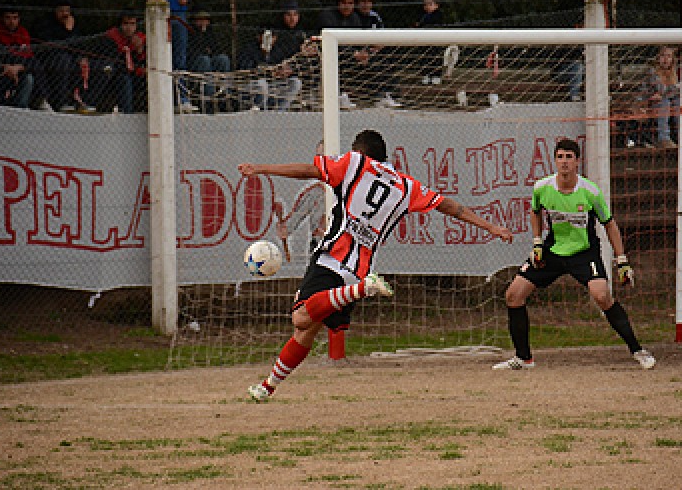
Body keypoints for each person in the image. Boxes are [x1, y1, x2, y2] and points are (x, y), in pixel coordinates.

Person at [238, 129, 513, 401]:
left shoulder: (355, 163)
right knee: (306, 330)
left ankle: (364, 289)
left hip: (332, 258)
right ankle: (268, 386)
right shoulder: (406, 186)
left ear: (359, 151)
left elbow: (310, 171)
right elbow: (449, 206)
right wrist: (490, 227)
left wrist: (261, 168)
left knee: (300, 317)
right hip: (356, 270)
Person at [493, 138, 656, 372]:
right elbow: (535, 211)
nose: (564, 162)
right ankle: (523, 358)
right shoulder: (542, 187)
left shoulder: (590, 192)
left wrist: (621, 260)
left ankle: (638, 350)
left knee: (602, 296)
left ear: (578, 161)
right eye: (560, 157)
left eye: (569, 157)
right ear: (554, 160)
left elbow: (609, 224)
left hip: (584, 253)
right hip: (552, 251)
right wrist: (537, 242)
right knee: (513, 295)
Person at [142, 0, 196, 113]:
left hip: (179, 13)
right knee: (159, 57)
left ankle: (182, 99)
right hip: (158, 13)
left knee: (180, 57)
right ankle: (159, 99)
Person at [238, 1, 308, 112]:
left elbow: (288, 64)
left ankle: (279, 113)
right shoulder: (250, 49)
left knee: (295, 82)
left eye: (272, 37)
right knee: (262, 84)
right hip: (254, 88)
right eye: (266, 36)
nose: (269, 40)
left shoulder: (279, 49)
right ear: (258, 37)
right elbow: (246, 70)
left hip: (275, 85)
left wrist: (286, 71)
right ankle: (262, 114)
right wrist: (268, 72)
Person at [34, 0, 95, 113]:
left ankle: (82, 100)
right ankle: (61, 102)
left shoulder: (73, 23)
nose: (65, 14)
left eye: (67, 10)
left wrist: (82, 57)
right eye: (62, 11)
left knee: (87, 64)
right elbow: (51, 45)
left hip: (70, 57)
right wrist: (67, 31)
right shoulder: (45, 24)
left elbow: (78, 44)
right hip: (50, 58)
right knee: (63, 61)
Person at [275, 140, 328, 261]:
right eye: (318, 157)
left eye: (323, 157)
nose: (320, 162)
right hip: (320, 247)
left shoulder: (349, 187)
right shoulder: (314, 192)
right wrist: (285, 228)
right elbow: (296, 217)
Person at [355, 0, 402, 108]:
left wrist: (379, 45)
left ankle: (388, 94)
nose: (366, 5)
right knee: (376, 63)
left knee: (389, 59)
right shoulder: (354, 17)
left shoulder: (375, 17)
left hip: (374, 50)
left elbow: (382, 36)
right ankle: (377, 95)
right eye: (363, 1)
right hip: (358, 51)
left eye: (369, 1)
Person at [317, 0, 363, 109]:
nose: (347, 6)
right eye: (344, 3)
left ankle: (380, 95)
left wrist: (363, 52)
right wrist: (353, 53)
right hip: (326, 52)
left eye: (350, 3)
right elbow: (328, 41)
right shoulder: (327, 16)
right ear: (338, 3)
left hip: (348, 53)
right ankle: (334, 95)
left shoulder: (355, 18)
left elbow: (358, 41)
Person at [0, 6, 38, 109]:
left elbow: (30, 57)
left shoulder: (23, 32)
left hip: (19, 68)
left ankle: (23, 107)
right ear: (2, 18)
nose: (12, 22)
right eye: (8, 18)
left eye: (15, 18)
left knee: (29, 78)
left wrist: (18, 67)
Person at [103, 13, 147, 114]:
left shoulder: (141, 38)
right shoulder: (113, 36)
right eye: (126, 24)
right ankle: (128, 112)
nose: (129, 28)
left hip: (136, 71)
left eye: (132, 24)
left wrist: (140, 50)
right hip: (117, 72)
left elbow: (144, 60)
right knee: (124, 80)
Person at [187, 8, 230, 108]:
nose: (203, 22)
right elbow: (194, 50)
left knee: (223, 59)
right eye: (200, 20)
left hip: (211, 60)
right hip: (196, 62)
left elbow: (216, 48)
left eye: (205, 20)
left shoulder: (210, 33)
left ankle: (225, 91)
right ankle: (209, 95)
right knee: (204, 60)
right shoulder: (190, 33)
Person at [0, 19, 33, 108]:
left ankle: (21, 109)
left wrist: (17, 68)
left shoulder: (0, 48)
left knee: (28, 78)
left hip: (0, 87)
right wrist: (2, 68)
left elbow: (32, 63)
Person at [642, 46, 681, 148]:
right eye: (663, 56)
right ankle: (664, 139)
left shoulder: (674, 72)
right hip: (650, 102)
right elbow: (661, 89)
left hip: (669, 100)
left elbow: (675, 92)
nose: (665, 59)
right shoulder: (652, 71)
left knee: (678, 102)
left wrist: (674, 89)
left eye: (669, 56)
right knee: (664, 102)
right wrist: (677, 87)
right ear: (657, 58)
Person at [415, 0, 444, 85]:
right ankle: (426, 75)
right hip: (424, 41)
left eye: (430, 4)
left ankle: (436, 75)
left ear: (436, 5)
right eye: (425, 4)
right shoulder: (422, 16)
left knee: (436, 58)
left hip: (436, 40)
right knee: (425, 58)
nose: (427, 6)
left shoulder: (438, 15)